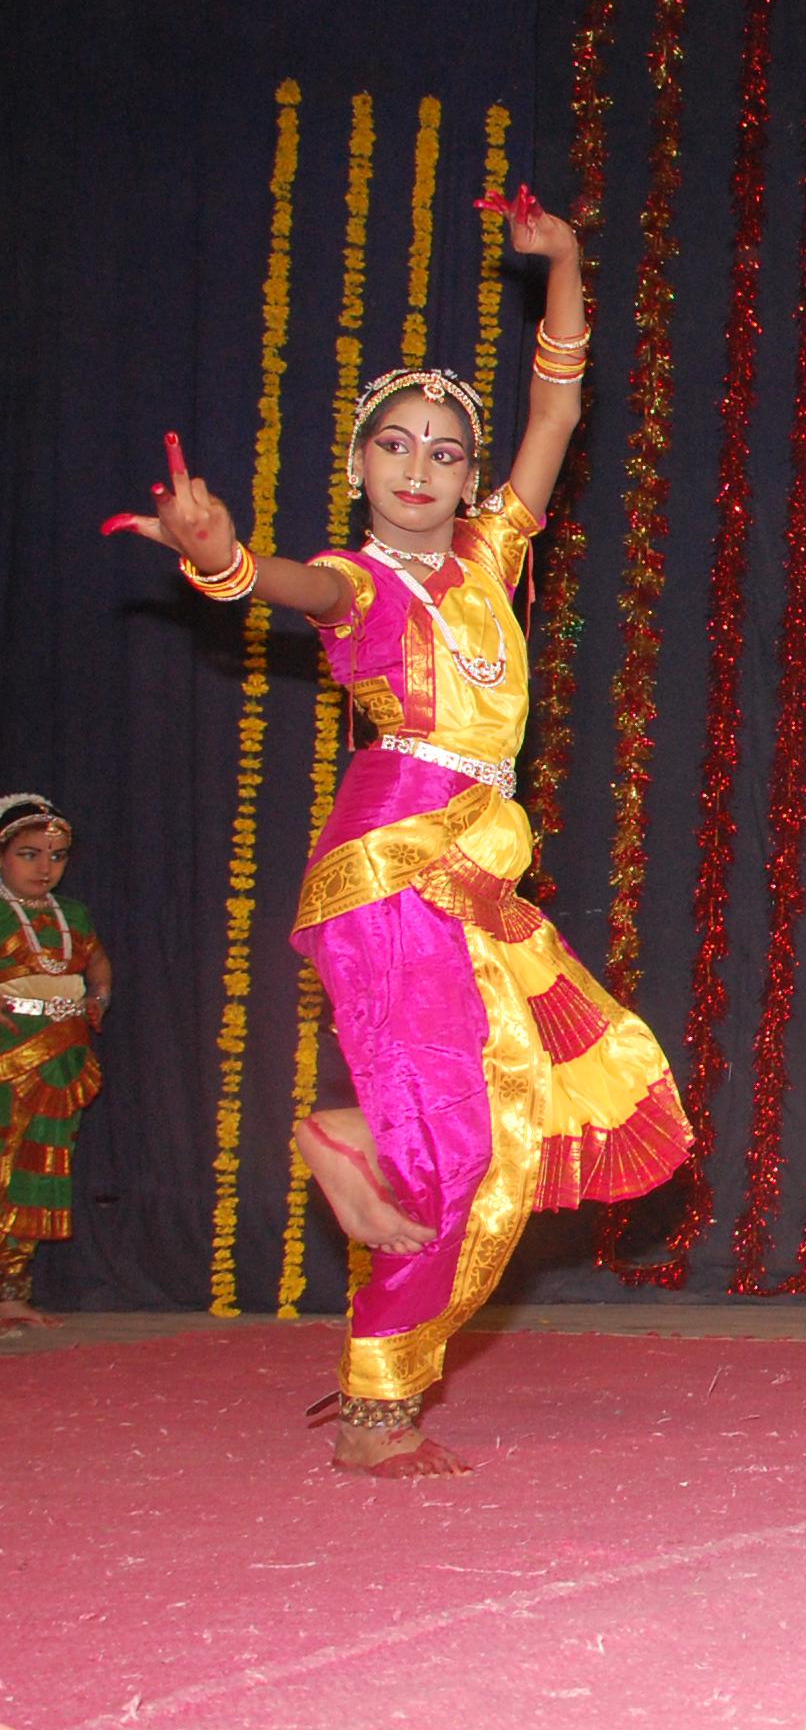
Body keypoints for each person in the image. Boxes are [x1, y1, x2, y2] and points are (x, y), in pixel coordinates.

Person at [108, 188, 689, 1476]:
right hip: (390, 868)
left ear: (468, 477)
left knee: (502, 1129)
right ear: (359, 465)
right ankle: (377, 1394)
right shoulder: (359, 582)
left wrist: (566, 264)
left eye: (443, 450)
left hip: (470, 867)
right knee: (460, 1145)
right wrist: (221, 560)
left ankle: (372, 1261)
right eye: (393, 445)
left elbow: (558, 409)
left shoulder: (492, 556)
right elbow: (292, 587)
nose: (418, 466)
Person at [0, 794, 111, 1327]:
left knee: (38, 1169)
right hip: (9, 1051)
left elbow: (96, 961)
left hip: (63, 1052)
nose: (45, 867)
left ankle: (10, 1293)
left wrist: (100, 996)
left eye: (57, 856)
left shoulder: (73, 913)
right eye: (29, 854)